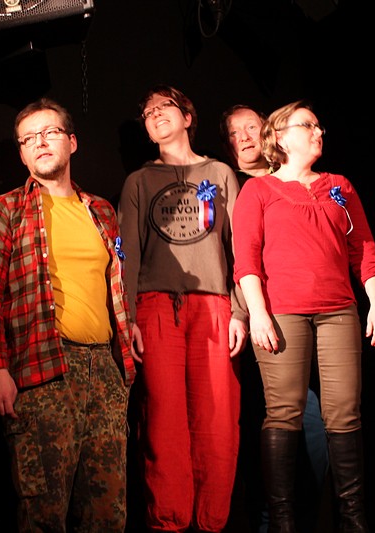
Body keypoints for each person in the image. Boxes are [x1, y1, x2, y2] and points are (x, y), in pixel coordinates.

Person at [0, 97, 137, 532]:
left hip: (105, 370)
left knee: (108, 512)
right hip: (44, 369)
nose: (39, 143)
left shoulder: (101, 211)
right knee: (43, 513)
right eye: (28, 139)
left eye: (49, 133)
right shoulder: (6, 209)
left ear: (72, 142)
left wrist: (129, 328)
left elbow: (113, 285)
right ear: (22, 154)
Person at [232, 100, 375, 533]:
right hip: (282, 311)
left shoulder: (339, 186)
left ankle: (353, 520)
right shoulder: (258, 191)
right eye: (309, 125)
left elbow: (364, 249)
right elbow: (246, 259)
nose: (319, 132)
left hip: (338, 310)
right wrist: (258, 313)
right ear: (280, 137)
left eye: (320, 126)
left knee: (345, 413)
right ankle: (283, 523)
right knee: (284, 411)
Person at [118, 84, 247, 533]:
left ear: (187, 117)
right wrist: (128, 318)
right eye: (148, 112)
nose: (155, 114)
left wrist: (241, 312)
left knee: (217, 417)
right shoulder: (138, 181)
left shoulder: (220, 173)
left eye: (165, 106)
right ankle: (168, 522)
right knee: (162, 420)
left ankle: (211, 522)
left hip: (214, 305)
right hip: (156, 307)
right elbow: (127, 253)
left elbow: (239, 247)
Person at [220, 104, 329, 533]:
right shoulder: (228, 187)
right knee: (267, 432)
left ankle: (311, 517)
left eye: (252, 127)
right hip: (256, 325)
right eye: (235, 133)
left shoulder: (299, 182)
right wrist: (243, 313)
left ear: (271, 132)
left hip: (304, 320)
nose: (246, 136)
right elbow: (236, 260)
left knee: (316, 429)